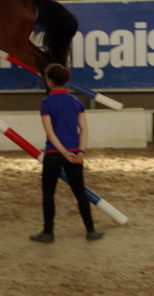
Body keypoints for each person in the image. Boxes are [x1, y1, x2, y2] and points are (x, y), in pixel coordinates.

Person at [30, 63, 104, 243]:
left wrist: (63, 152)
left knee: (49, 193)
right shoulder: (76, 102)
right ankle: (90, 230)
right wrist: (80, 152)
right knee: (80, 191)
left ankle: (48, 232)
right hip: (75, 154)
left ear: (49, 81)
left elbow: (50, 133)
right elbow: (84, 130)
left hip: (55, 153)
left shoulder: (46, 103)